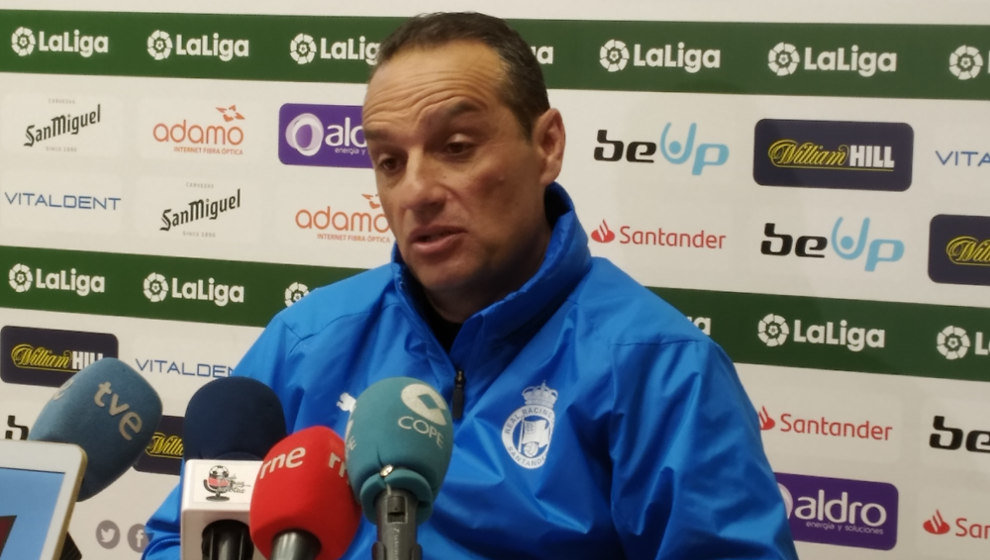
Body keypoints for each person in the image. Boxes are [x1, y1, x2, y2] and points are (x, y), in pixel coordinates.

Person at [143, 12, 798, 559]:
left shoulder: (663, 370)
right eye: (389, 161)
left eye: (456, 146)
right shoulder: (305, 340)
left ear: (546, 146)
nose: (418, 191)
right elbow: (180, 538)